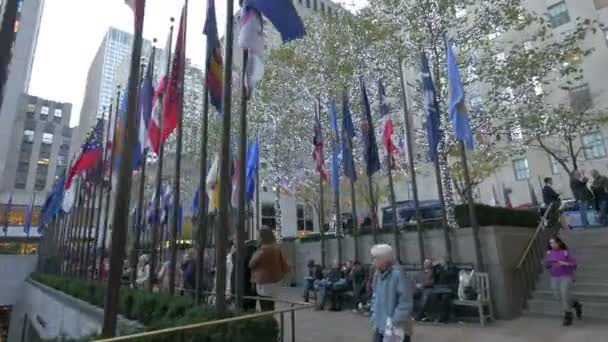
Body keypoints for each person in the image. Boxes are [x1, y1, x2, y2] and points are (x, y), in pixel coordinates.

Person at [370, 244, 413, 342]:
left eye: (375, 258)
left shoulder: (399, 274)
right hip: (380, 324)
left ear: (384, 259)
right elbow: (375, 295)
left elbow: (405, 302)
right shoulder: (377, 274)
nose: (373, 262)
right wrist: (374, 315)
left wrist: (395, 321)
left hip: (397, 328)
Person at [249, 227, 290, 311]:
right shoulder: (277, 249)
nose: (257, 238)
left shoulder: (262, 250)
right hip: (275, 282)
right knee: (270, 305)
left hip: (263, 283)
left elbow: (251, 264)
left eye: (258, 236)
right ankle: (270, 320)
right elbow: (285, 265)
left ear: (263, 237)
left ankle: (268, 321)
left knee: (265, 306)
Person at [545, 235, 583, 326]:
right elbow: (548, 264)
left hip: (566, 276)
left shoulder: (565, 252)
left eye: (554, 242)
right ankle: (576, 304)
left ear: (559, 243)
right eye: (550, 243)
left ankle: (568, 315)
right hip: (554, 277)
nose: (552, 245)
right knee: (557, 296)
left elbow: (574, 264)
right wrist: (548, 265)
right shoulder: (549, 253)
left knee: (564, 294)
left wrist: (564, 263)